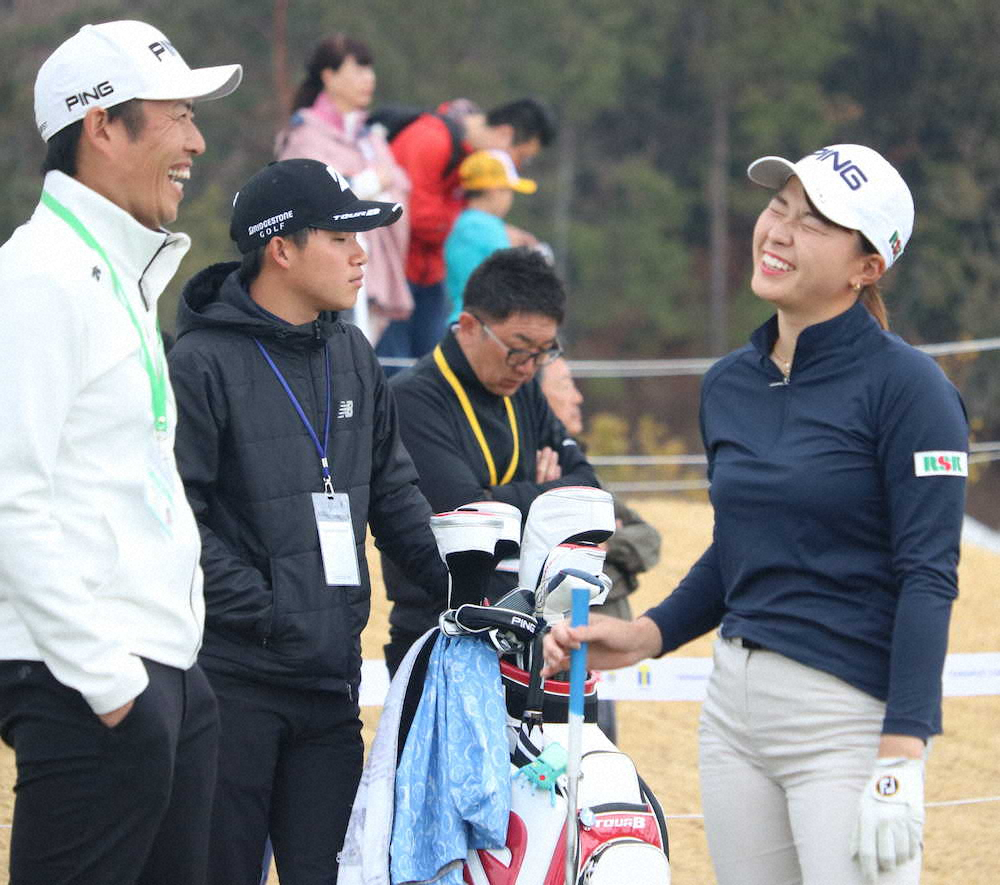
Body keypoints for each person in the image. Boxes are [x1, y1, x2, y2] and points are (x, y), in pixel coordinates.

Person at [543, 144, 968, 885]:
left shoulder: (913, 390)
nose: (778, 230)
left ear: (867, 266)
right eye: (779, 206)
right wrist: (648, 633)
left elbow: (928, 576)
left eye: (814, 223)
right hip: (733, 714)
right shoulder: (730, 384)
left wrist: (904, 752)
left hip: (848, 721)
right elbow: (738, 548)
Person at [0, 20, 240, 885]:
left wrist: (174, 683)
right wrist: (108, 683)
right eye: (176, 112)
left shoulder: (111, 272)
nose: (196, 139)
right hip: (91, 681)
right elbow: (7, 498)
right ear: (101, 125)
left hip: (160, 671)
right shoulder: (36, 277)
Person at [167, 158, 449, 885]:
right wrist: (272, 611)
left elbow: (393, 491)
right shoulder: (197, 363)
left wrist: (461, 591)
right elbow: (175, 518)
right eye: (341, 236)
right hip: (230, 683)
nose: (363, 254)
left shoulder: (352, 352)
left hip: (330, 683)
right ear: (280, 248)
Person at [381, 247, 600, 675]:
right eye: (518, 350)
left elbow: (588, 491)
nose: (528, 366)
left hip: (535, 632)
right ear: (468, 326)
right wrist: (545, 495)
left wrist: (495, 496)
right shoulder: (412, 400)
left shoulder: (524, 386)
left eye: (543, 352)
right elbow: (468, 526)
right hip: (442, 637)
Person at [375, 98, 557, 367]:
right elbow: (411, 214)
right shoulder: (430, 139)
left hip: (428, 280)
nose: (515, 166)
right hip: (395, 279)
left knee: (427, 373)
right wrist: (476, 222)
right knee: (393, 373)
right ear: (506, 133)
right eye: (521, 157)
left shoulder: (466, 152)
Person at [539, 356, 661, 741]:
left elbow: (649, 539)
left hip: (605, 660)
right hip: (552, 660)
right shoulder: (537, 473)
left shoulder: (586, 475)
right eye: (565, 386)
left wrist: (600, 547)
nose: (577, 397)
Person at [276, 33, 410, 345]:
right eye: (359, 70)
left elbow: (400, 185)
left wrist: (367, 189)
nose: (369, 79)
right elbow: (306, 195)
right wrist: (367, 185)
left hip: (374, 271)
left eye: (371, 70)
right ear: (329, 76)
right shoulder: (305, 134)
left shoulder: (369, 137)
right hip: (323, 276)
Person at [444, 149, 537, 325]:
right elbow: (513, 280)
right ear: (495, 190)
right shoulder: (485, 227)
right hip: (482, 327)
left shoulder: (464, 222)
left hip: (464, 322)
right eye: (508, 191)